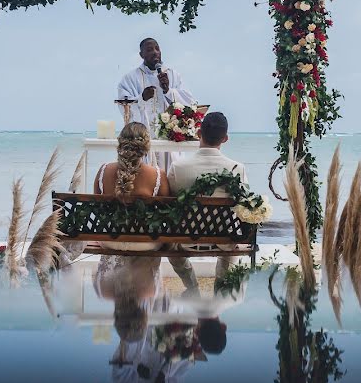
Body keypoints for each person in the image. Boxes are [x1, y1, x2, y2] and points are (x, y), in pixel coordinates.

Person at [166, 112, 247, 291]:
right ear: (225, 138)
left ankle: (192, 287)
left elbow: (168, 202)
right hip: (224, 239)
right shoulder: (238, 169)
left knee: (172, 249)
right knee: (231, 246)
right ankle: (221, 287)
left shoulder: (178, 167)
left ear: (198, 133)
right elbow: (243, 204)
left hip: (186, 238)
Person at [117, 38, 195, 167]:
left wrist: (168, 91)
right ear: (141, 55)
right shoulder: (130, 78)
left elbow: (189, 102)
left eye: (157, 48)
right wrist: (142, 98)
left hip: (169, 140)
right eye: (149, 50)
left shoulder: (173, 75)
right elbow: (123, 105)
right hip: (142, 139)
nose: (155, 52)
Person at [94, 122, 170, 251]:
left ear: (121, 144)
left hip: (110, 239)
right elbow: (167, 212)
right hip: (146, 242)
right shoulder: (157, 174)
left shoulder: (104, 170)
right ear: (145, 147)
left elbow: (97, 207)